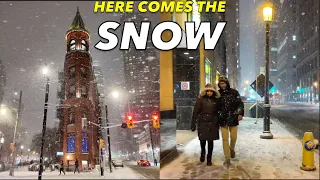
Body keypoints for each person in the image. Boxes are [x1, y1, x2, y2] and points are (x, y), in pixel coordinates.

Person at [217, 75, 244, 167]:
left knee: (233, 137)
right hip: (222, 119)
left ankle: (231, 149)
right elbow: (213, 103)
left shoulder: (234, 92)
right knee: (225, 139)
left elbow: (240, 103)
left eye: (223, 83)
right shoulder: (218, 94)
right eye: (220, 83)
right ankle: (227, 157)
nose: (222, 85)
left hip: (233, 118)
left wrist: (240, 113)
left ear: (226, 83)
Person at [191, 84, 221, 166]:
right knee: (202, 140)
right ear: (205, 92)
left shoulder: (216, 100)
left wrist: (219, 121)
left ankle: (209, 158)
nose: (209, 93)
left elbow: (219, 112)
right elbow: (195, 112)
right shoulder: (201, 100)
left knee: (210, 141)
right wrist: (193, 124)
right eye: (208, 91)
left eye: (211, 91)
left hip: (213, 122)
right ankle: (203, 152)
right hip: (203, 122)